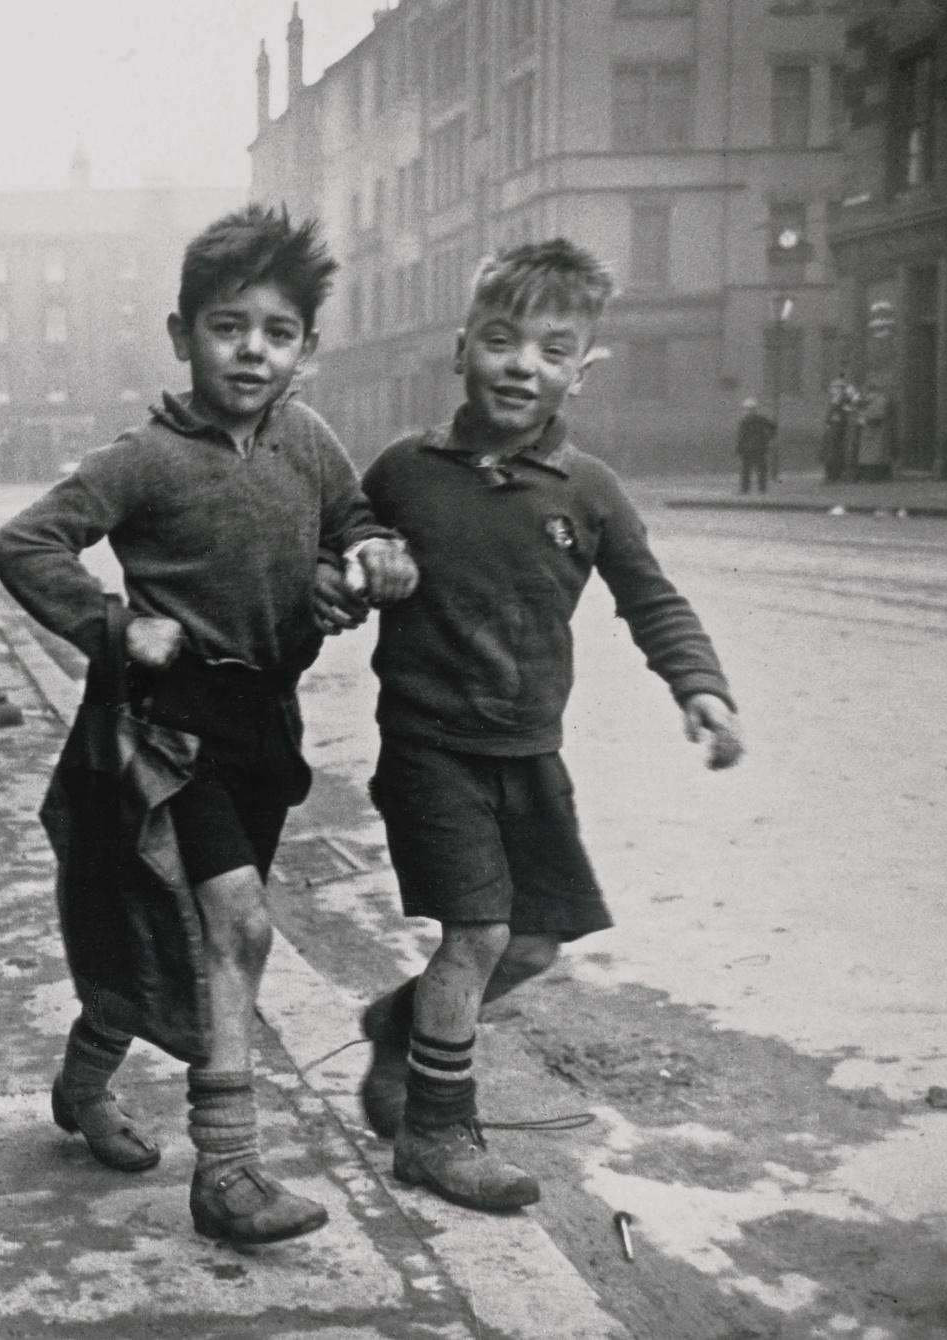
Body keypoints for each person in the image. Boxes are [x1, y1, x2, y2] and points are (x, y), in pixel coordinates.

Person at [0, 204, 418, 1246]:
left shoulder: (306, 441)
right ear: (182, 334)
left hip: (258, 726)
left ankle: (82, 1081)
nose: (251, 350)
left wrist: (364, 566)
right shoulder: (140, 457)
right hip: (159, 730)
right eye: (228, 326)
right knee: (235, 925)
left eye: (276, 331)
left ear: (304, 350)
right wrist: (112, 622)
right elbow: (22, 543)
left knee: (173, 934)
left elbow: (354, 528)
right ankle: (226, 1170)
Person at [319, 238, 745, 1212]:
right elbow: (335, 547)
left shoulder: (585, 490)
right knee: (475, 933)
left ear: (580, 371)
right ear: (461, 345)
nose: (523, 365)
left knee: (531, 944)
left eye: (552, 350)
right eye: (502, 341)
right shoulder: (403, 471)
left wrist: (699, 685)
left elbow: (651, 599)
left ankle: (396, 1024)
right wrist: (360, 559)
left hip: (528, 756)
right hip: (430, 750)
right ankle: (435, 1133)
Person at [734, 397, 778, 495]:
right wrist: (767, 438)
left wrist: (739, 448)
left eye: (747, 409)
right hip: (760, 448)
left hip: (748, 449)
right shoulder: (761, 419)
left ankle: (745, 489)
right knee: (760, 469)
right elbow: (773, 427)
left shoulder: (744, 421)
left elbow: (741, 436)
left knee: (747, 470)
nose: (747, 411)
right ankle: (761, 489)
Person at [852, 382, 893, 482]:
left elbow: (878, 418)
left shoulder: (878, 401)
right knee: (872, 455)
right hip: (870, 431)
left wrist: (863, 420)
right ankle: (873, 476)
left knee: (872, 456)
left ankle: (872, 477)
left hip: (873, 430)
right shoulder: (875, 400)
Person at [822, 374, 858, 483]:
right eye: (833, 387)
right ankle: (832, 475)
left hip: (836, 427)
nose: (832, 390)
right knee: (832, 451)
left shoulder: (841, 399)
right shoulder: (837, 399)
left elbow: (851, 406)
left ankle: (833, 475)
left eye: (835, 388)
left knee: (834, 451)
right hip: (834, 427)